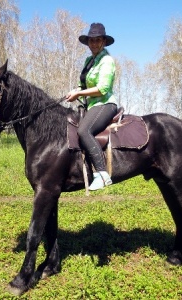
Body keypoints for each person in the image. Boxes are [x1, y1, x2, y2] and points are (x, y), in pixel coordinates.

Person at [66, 23, 117, 191]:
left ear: (103, 41)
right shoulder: (89, 61)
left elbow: (103, 88)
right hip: (91, 105)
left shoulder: (107, 60)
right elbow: (83, 84)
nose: (94, 44)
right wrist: (76, 90)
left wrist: (79, 95)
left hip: (105, 104)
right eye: (91, 40)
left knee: (83, 130)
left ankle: (102, 174)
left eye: (98, 40)